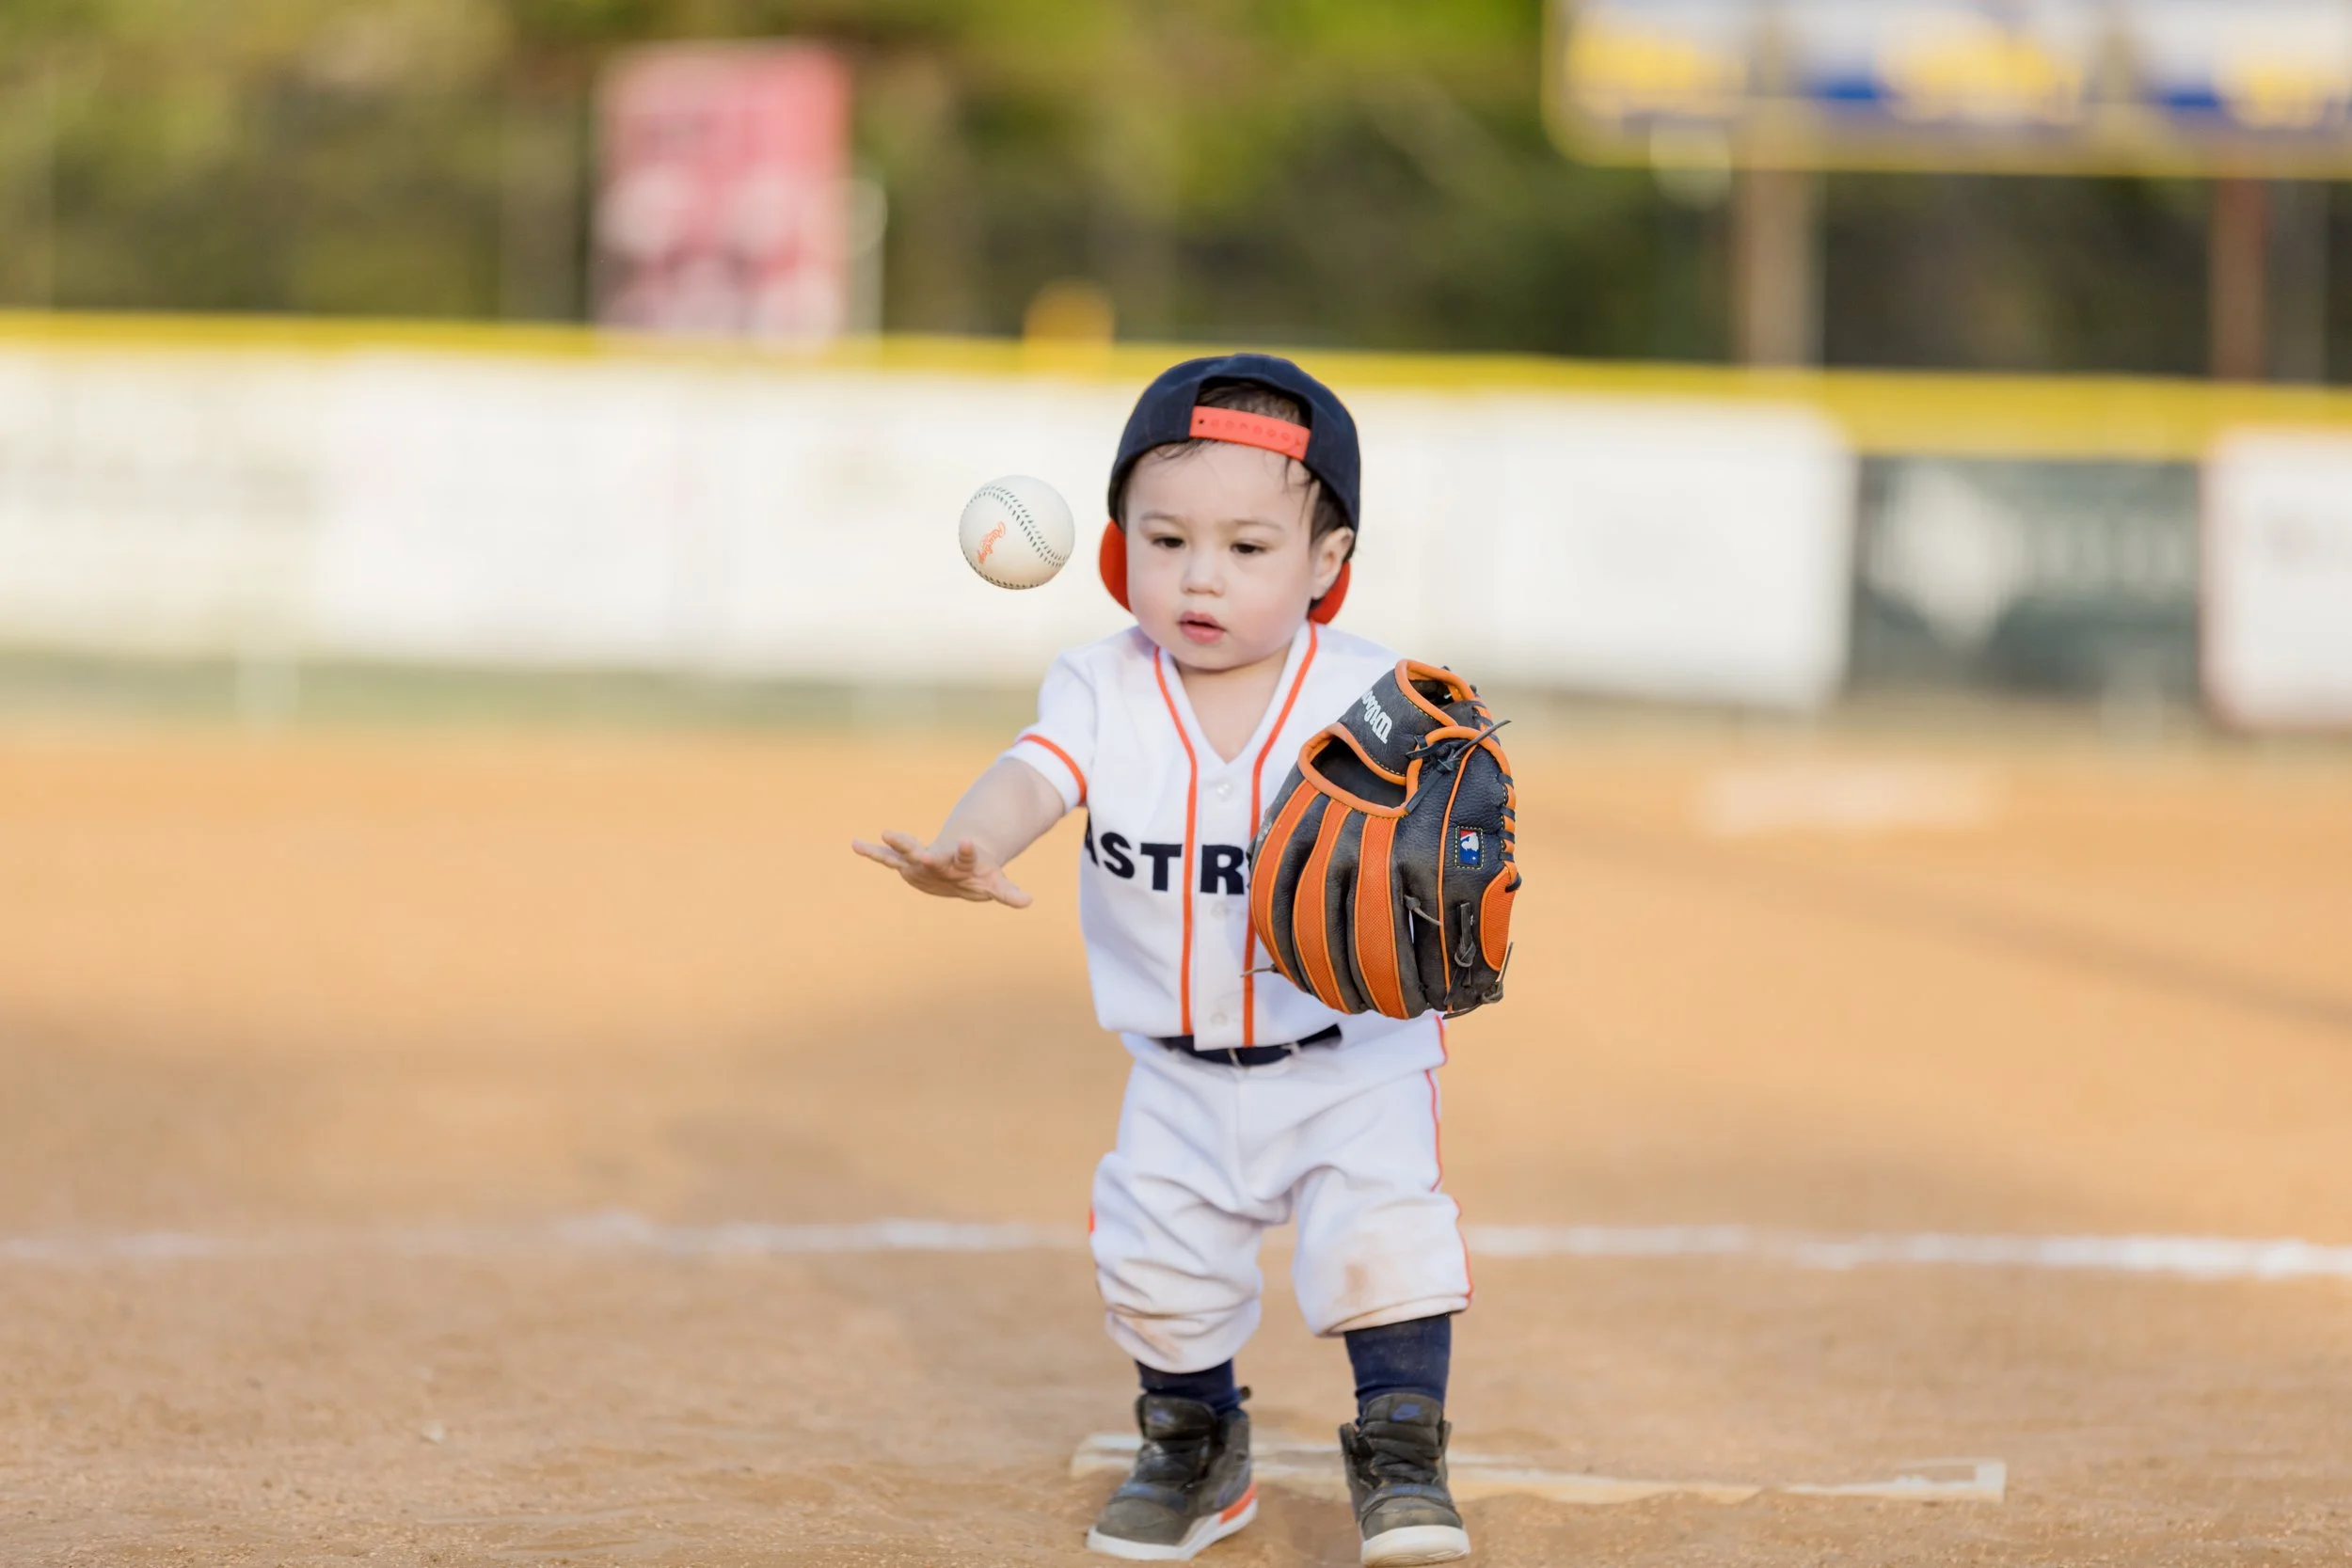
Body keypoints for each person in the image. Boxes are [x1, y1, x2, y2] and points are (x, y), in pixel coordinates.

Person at [853, 355, 1472, 1566]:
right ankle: (1198, 1447)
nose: (1200, 576)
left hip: (1351, 1058)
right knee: (1156, 1266)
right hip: (1177, 1070)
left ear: (1326, 567)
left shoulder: (1375, 698)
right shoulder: (1102, 684)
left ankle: (1401, 1461)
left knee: (1383, 1242)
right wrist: (970, 842)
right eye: (1166, 537)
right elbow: (1036, 773)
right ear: (1115, 544)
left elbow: (1450, 829)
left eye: (1248, 549)